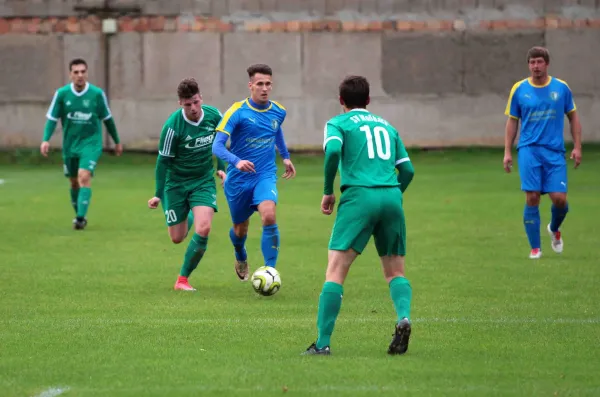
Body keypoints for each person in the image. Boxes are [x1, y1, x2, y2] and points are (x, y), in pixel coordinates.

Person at [302, 75, 415, 356]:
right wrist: (392, 195)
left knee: (336, 270)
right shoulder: (388, 126)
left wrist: (328, 191)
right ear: (368, 100)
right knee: (395, 271)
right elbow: (409, 171)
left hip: (358, 197)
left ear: (341, 101)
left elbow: (332, 153)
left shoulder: (337, 123)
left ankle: (323, 343)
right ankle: (403, 316)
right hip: (391, 196)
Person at [212, 64, 296, 282]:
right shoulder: (237, 111)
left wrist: (285, 156)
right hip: (239, 180)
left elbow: (275, 130)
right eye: (260, 84)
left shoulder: (279, 110)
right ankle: (240, 254)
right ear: (251, 86)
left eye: (268, 84)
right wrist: (236, 162)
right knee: (240, 230)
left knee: (268, 214)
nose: (265, 88)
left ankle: (270, 272)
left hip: (265, 174)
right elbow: (217, 146)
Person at [147, 78, 226, 291]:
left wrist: (221, 168)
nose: (193, 108)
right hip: (176, 184)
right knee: (177, 237)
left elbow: (221, 142)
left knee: (204, 227)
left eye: (196, 102)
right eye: (187, 104)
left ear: (201, 98)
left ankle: (182, 280)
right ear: (180, 104)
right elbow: (162, 162)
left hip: (203, 181)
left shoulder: (214, 116)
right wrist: (157, 194)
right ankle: (188, 213)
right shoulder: (173, 127)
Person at [503, 46, 582, 259]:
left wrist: (577, 146)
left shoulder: (561, 88)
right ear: (528, 65)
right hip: (529, 149)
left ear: (546, 64)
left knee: (559, 200)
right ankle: (535, 248)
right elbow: (512, 121)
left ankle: (554, 228)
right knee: (532, 197)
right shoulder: (519, 89)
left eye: (539, 62)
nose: (535, 66)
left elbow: (573, 116)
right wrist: (507, 151)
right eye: (532, 62)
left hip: (554, 151)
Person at [41, 58, 122, 230]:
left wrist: (117, 141)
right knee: (73, 182)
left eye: (82, 72)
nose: (80, 75)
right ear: (70, 74)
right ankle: (80, 214)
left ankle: (79, 218)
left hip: (91, 144)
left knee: (84, 176)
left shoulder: (96, 94)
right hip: (70, 145)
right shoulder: (62, 94)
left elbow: (107, 119)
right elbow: (52, 119)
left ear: (87, 73)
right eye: (76, 72)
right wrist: (45, 139)